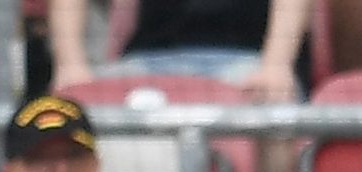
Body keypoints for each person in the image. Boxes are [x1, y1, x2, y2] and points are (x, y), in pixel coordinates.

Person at [48, 0, 309, 100]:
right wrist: (70, 66)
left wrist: (276, 65)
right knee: (80, 101)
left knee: (274, 98)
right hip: (147, 59)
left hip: (245, 59)